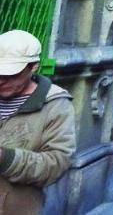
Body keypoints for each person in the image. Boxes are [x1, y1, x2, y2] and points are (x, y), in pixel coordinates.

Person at [0, 30, 76, 214]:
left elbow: (57, 164)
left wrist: (6, 158)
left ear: (33, 66)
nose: (1, 81)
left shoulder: (55, 105)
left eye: (10, 75)